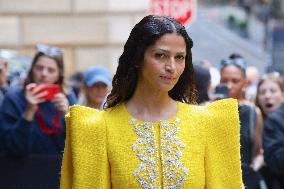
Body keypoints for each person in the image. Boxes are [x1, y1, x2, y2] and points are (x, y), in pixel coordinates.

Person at [60, 15, 243, 188]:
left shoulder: (210, 123)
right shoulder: (97, 128)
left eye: (179, 57)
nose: (171, 66)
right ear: (138, 59)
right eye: (160, 55)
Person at [0, 44, 76, 156]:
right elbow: (13, 147)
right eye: (39, 68)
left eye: (51, 70)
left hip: (58, 169)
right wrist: (29, 112)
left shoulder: (67, 97)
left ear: (59, 75)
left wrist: (67, 115)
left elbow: (79, 145)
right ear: (31, 70)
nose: (44, 74)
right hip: (22, 170)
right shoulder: (14, 98)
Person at [219, 54, 265, 189]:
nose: (229, 85)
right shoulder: (208, 109)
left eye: (235, 81)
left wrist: (253, 169)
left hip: (245, 181)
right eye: (224, 80)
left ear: (244, 83)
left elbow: (258, 152)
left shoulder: (252, 112)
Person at [255, 72, 284, 188]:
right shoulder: (252, 122)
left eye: (273, 91)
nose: (267, 96)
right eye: (262, 92)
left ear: (282, 95)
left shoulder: (276, 121)